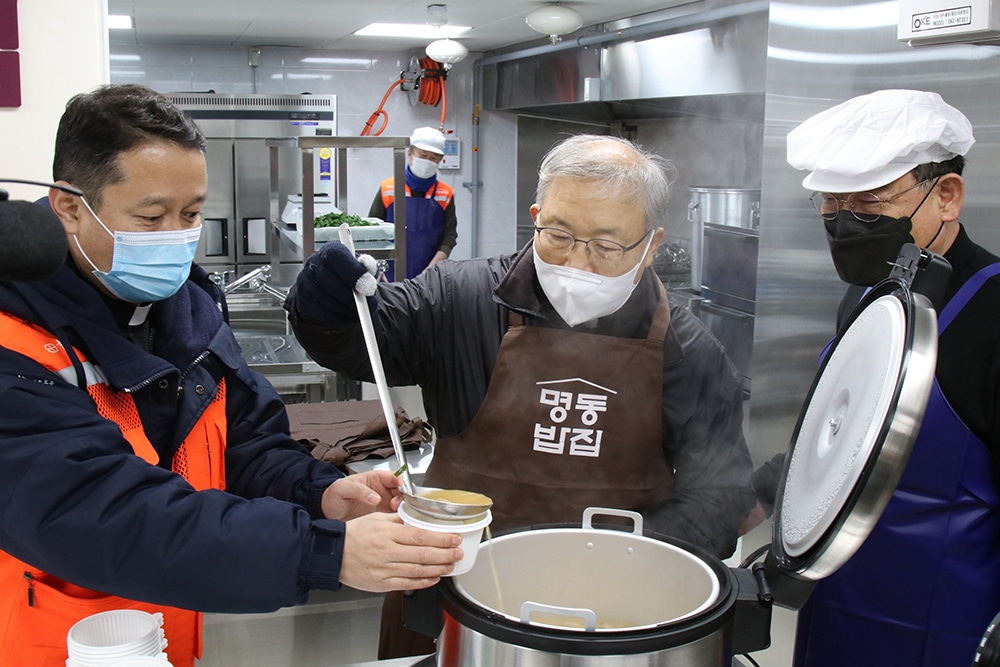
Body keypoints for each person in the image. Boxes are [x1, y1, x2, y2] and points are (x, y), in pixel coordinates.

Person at [0, 84, 464, 667]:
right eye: (152, 216)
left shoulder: (187, 312)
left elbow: (244, 442)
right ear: (70, 206)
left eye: (192, 214)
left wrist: (320, 495)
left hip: (168, 636)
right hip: (53, 646)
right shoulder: (14, 341)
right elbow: (99, 511)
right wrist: (323, 552)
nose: (177, 234)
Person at [286, 133, 756, 658]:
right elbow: (357, 339)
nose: (578, 263)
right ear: (535, 215)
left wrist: (622, 562)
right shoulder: (458, 299)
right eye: (557, 234)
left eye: (606, 245)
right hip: (455, 594)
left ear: (650, 246)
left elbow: (721, 495)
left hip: (618, 620)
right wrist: (323, 300)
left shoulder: (689, 351)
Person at [784, 89, 1000, 667]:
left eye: (870, 206)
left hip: (945, 620)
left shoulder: (994, 316)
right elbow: (845, 433)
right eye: (829, 206)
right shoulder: (868, 296)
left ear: (946, 196)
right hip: (838, 595)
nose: (844, 226)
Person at [369, 126, 457, 279]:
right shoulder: (388, 188)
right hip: (388, 275)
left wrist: (431, 271)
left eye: (433, 158)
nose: (428, 161)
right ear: (410, 154)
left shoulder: (445, 194)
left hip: (430, 276)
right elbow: (371, 232)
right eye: (423, 155)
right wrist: (378, 268)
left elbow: (449, 236)